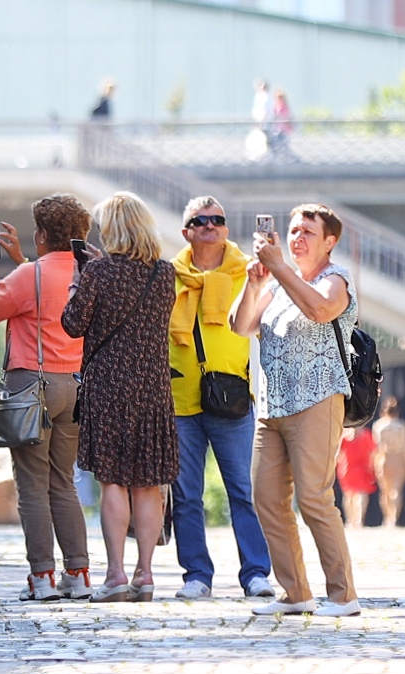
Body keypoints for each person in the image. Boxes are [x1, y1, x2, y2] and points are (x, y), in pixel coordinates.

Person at [230, 202, 361, 617]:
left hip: (317, 402)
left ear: (329, 241)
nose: (297, 238)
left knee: (314, 498)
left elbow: (321, 310)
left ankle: (343, 595)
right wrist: (255, 282)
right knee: (266, 498)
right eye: (292, 231)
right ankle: (296, 592)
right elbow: (240, 325)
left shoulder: (335, 280)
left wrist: (281, 269)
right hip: (272, 408)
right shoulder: (276, 284)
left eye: (307, 231)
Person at [0, 194, 92, 601]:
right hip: (75, 387)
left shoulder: (29, 277)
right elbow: (56, 291)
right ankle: (77, 573)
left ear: (41, 233)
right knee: (64, 483)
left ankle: (41, 577)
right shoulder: (86, 270)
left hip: (32, 387)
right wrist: (24, 261)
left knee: (31, 486)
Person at [61, 191, 177, 602]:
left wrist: (80, 279)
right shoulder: (164, 274)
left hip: (109, 386)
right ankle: (145, 573)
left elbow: (73, 325)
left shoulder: (98, 272)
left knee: (113, 480)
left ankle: (115, 574)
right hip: (152, 386)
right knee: (148, 482)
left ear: (112, 229)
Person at [166, 196, 273, 601]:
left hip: (231, 398)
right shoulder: (170, 276)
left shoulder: (249, 272)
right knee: (186, 496)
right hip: (180, 399)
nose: (210, 225)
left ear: (227, 229)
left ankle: (256, 573)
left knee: (244, 491)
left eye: (217, 220)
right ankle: (196, 575)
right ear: (186, 231)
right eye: (200, 220)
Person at [372, 396, 405, 528]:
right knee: (396, 490)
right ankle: (394, 517)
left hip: (384, 458)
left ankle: (387, 517)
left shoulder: (378, 426)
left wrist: (374, 462)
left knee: (385, 490)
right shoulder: (402, 426)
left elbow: (376, 446)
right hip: (399, 458)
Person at [336, 425, 377, 529]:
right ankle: (359, 521)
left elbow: (338, 454)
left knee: (349, 495)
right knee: (361, 494)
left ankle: (350, 520)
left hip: (347, 469)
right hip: (362, 468)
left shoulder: (344, 434)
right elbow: (373, 452)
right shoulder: (366, 435)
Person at [269, 88, 295, 161]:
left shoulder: (284, 107)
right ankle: (277, 156)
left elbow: (286, 116)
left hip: (282, 128)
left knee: (282, 143)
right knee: (275, 143)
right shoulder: (275, 105)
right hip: (276, 128)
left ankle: (286, 156)